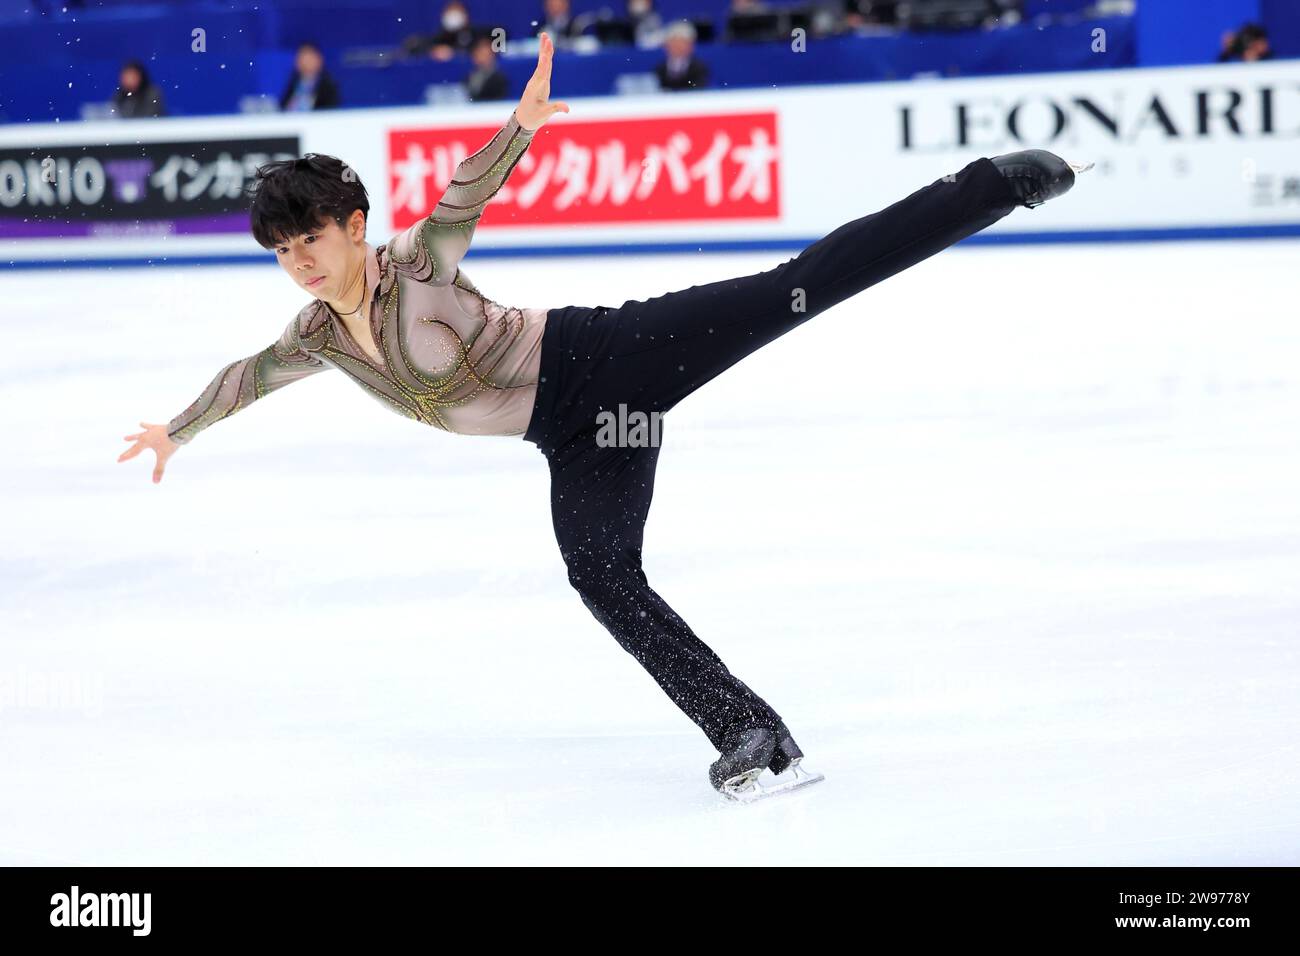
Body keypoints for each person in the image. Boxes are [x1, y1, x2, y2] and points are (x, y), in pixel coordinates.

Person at [119, 33, 1090, 800]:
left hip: (612, 355)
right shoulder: (316, 337)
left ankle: (994, 186)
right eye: (282, 249)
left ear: (354, 226)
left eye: (311, 239)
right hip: (582, 433)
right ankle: (749, 731)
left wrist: (523, 125)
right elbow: (247, 375)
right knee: (601, 571)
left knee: (794, 289)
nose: (299, 260)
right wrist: (177, 428)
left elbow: (463, 199)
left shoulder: (413, 261)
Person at [280, 42, 341, 112]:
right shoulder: (293, 84)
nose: (305, 62)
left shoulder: (328, 86)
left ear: (319, 60)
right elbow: (283, 108)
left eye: (309, 58)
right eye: (301, 57)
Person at [655, 21, 710, 91]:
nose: (677, 47)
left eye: (681, 43)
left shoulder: (700, 68)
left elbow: (699, 88)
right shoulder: (659, 69)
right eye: (674, 43)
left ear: (690, 46)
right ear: (666, 46)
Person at [465, 34, 510, 101]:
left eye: (487, 55)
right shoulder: (469, 76)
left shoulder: (499, 79)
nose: (484, 58)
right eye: (480, 54)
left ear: (493, 55)